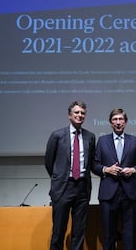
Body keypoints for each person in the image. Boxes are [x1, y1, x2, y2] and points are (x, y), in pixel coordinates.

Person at [92, 108, 136, 250]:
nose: (118, 122)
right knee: (108, 234)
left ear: (126, 122)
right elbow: (95, 165)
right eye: (115, 120)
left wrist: (134, 169)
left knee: (129, 234)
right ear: (110, 123)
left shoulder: (134, 140)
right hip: (108, 194)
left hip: (129, 193)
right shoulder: (102, 141)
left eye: (121, 119)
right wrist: (106, 169)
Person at [45, 101, 96, 250]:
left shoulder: (90, 137)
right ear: (69, 115)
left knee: (79, 231)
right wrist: (58, 178)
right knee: (58, 230)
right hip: (63, 187)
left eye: (82, 113)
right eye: (76, 112)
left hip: (82, 188)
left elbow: (91, 161)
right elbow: (49, 162)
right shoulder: (57, 135)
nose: (80, 115)